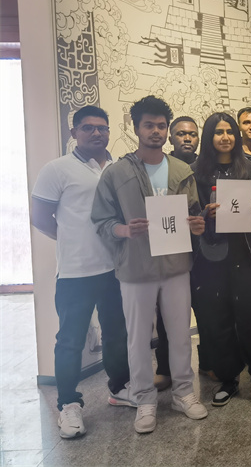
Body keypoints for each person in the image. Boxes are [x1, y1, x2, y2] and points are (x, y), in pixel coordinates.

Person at [91, 96, 208, 433]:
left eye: (161, 126)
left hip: (176, 265)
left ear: (167, 130)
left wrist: (197, 225)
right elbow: (101, 220)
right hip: (135, 267)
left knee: (181, 334)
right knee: (138, 337)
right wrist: (124, 230)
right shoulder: (117, 173)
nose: (156, 131)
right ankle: (144, 399)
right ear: (135, 128)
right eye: (149, 125)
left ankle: (183, 393)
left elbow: (193, 214)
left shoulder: (182, 170)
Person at [31, 105, 132, 439]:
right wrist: (71, 239)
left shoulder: (118, 168)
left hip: (115, 268)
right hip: (75, 273)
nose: (96, 133)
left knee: (116, 334)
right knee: (70, 341)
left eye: (102, 128)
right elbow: (40, 217)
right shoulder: (56, 169)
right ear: (74, 133)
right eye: (88, 128)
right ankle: (68, 405)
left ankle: (119, 388)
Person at [193, 112, 251, 407]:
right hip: (211, 257)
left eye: (229, 131)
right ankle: (228, 379)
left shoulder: (250, 170)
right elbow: (189, 214)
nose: (225, 137)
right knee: (219, 321)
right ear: (209, 137)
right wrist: (204, 215)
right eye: (219, 132)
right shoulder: (197, 172)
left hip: (245, 255)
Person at [156, 116, 203, 391]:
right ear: (171, 137)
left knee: (206, 312)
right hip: (170, 251)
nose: (187, 138)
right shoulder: (162, 168)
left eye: (192, 134)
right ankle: (165, 369)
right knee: (167, 317)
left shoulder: (205, 166)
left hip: (203, 252)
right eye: (181, 134)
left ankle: (208, 361)